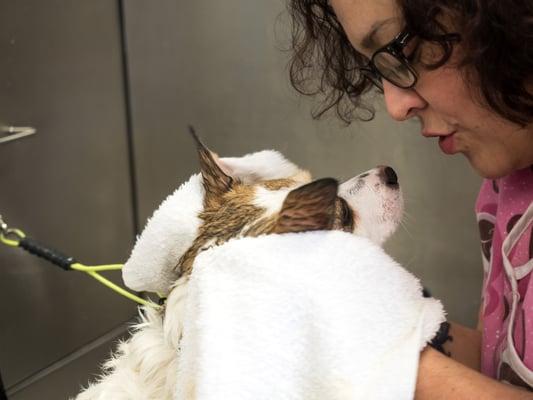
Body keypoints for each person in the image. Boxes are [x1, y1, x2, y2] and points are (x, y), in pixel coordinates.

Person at [287, 0, 533, 398]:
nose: (396, 106)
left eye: (401, 50)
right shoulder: (508, 184)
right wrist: (361, 316)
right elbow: (499, 362)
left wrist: (378, 358)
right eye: (375, 69)